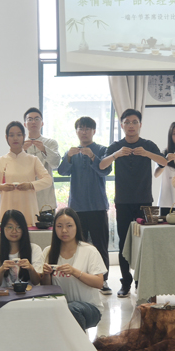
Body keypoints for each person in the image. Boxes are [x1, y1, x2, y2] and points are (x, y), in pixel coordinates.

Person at [100, 109, 168, 298]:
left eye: (134, 122)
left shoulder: (148, 145)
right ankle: (126, 282)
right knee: (124, 243)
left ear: (140, 125)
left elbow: (164, 162)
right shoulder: (116, 146)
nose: (131, 125)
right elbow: (102, 165)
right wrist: (116, 155)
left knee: (147, 242)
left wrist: (147, 153)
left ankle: (143, 281)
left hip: (146, 201)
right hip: (122, 201)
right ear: (122, 125)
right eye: (127, 122)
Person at [57, 116, 113, 295]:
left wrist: (92, 156)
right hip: (77, 208)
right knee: (77, 245)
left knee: (100, 245)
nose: (84, 132)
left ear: (94, 131)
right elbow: (61, 171)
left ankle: (103, 280)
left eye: (88, 128)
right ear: (76, 131)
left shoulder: (102, 150)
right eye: (81, 128)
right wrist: (68, 156)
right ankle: (79, 277)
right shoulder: (72, 151)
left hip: (97, 206)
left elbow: (105, 170)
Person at [41, 208, 107, 330]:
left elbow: (99, 283)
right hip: (60, 306)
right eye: (59, 226)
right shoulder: (48, 251)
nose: (64, 230)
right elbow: (46, 288)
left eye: (69, 226)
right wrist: (46, 275)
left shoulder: (89, 251)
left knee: (72, 309)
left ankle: (78, 342)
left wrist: (75, 272)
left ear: (77, 227)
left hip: (90, 308)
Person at [0, 122, 52, 226]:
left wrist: (31, 185)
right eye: (11, 135)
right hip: (7, 208)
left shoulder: (33, 160)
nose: (15, 138)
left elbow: (48, 180)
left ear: (24, 137)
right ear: (6, 137)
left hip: (28, 209)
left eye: (19, 135)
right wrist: (1, 187)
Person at [23, 107, 61, 211]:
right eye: (30, 119)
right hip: (26, 199)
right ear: (25, 124)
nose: (33, 122)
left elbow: (55, 164)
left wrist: (44, 149)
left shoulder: (51, 143)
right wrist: (22, 150)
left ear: (42, 123)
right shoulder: (20, 144)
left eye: (37, 119)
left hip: (46, 199)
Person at [0, 209, 43, 287]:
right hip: (6, 294)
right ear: (3, 228)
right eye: (10, 227)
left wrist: (31, 269)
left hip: (29, 293)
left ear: (24, 229)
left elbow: (37, 282)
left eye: (19, 227)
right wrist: (1, 270)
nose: (14, 231)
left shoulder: (34, 249)